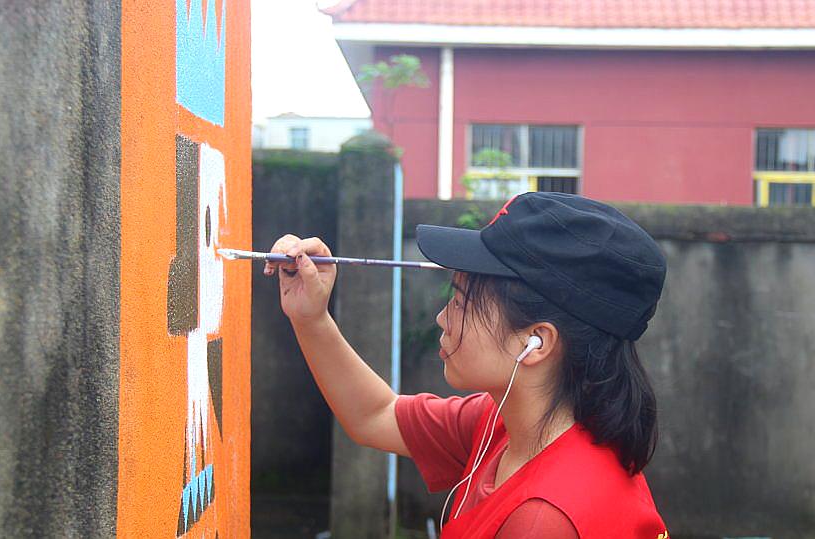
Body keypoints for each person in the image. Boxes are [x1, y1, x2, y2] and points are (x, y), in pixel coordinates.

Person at [266, 192, 669, 538]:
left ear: (536, 342)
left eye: (460, 301)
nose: (442, 317)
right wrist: (310, 317)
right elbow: (375, 415)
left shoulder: (542, 521)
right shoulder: (505, 423)